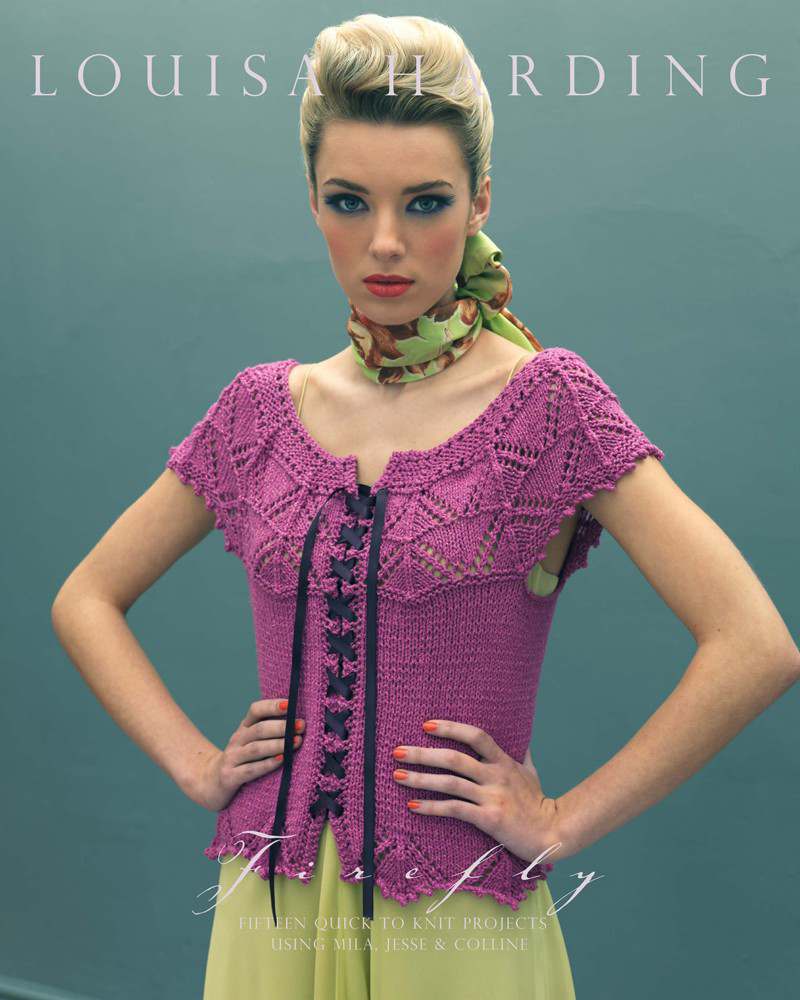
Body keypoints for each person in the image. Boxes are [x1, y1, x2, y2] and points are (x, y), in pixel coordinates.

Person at [50, 13, 800, 1000]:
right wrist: (197, 766)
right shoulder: (258, 412)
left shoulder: (548, 404)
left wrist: (561, 820)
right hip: (268, 904)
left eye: (427, 202)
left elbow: (755, 645)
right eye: (348, 202)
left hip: (456, 915)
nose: (385, 242)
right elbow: (85, 598)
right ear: (312, 203)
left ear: (479, 200)